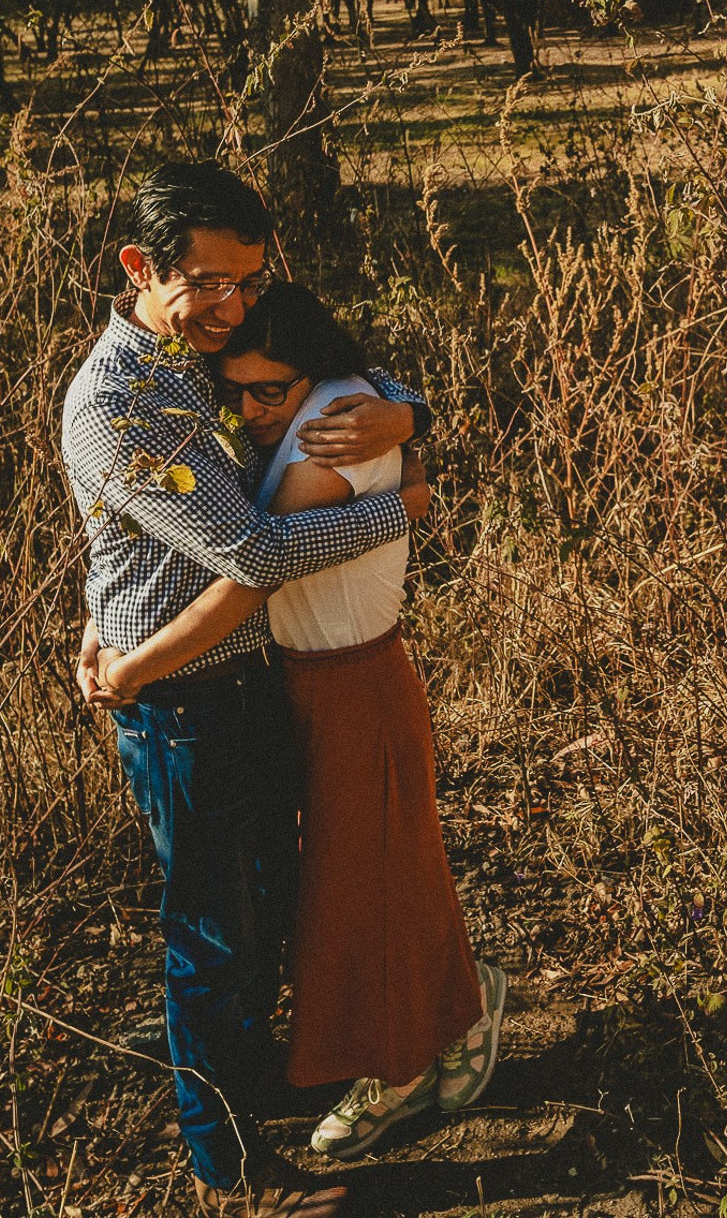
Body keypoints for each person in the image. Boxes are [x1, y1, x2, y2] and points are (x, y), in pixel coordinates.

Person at [62, 162, 432, 1218]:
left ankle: (250, 1081)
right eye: (211, 283)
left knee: (264, 904)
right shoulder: (117, 399)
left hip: (245, 677)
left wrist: (407, 410)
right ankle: (225, 1170)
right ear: (140, 268)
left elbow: (328, 362)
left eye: (247, 280)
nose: (235, 305)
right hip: (177, 702)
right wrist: (403, 504)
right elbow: (252, 548)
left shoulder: (201, 346)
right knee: (210, 934)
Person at [96, 282, 506, 1165]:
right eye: (232, 390)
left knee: (363, 883)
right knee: (378, 869)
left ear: (310, 379)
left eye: (266, 391)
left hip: (350, 684)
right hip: (311, 683)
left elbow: (254, 569)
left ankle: (395, 1071)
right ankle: (458, 1002)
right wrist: (411, 429)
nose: (246, 411)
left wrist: (133, 667)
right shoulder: (339, 406)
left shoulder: (333, 431)